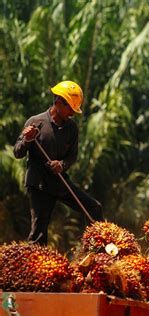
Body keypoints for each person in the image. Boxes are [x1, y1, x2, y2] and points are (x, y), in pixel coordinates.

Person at [13, 80, 104, 245]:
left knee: (94, 208)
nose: (73, 113)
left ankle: (99, 249)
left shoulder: (72, 128)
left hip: (60, 182)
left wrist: (61, 165)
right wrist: (27, 139)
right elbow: (18, 152)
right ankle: (34, 267)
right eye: (70, 108)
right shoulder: (35, 122)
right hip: (39, 185)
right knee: (39, 235)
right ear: (59, 102)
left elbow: (72, 157)